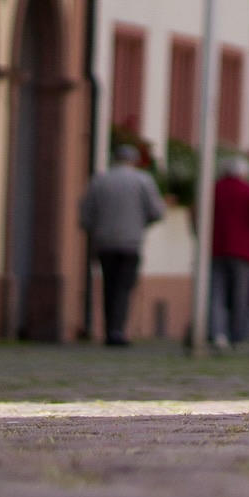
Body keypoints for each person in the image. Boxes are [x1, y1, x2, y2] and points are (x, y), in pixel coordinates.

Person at [79, 147, 162, 347]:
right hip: (131, 242)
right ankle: (117, 330)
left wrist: (96, 229)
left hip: (105, 242)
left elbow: (86, 215)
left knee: (109, 285)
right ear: (134, 161)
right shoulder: (143, 181)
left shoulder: (99, 181)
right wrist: (140, 223)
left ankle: (110, 329)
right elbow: (156, 211)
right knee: (124, 286)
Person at [206, 161, 249, 355]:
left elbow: (197, 212)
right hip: (242, 250)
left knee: (216, 293)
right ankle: (237, 335)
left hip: (216, 248)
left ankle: (217, 333)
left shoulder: (213, 189)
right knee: (240, 295)